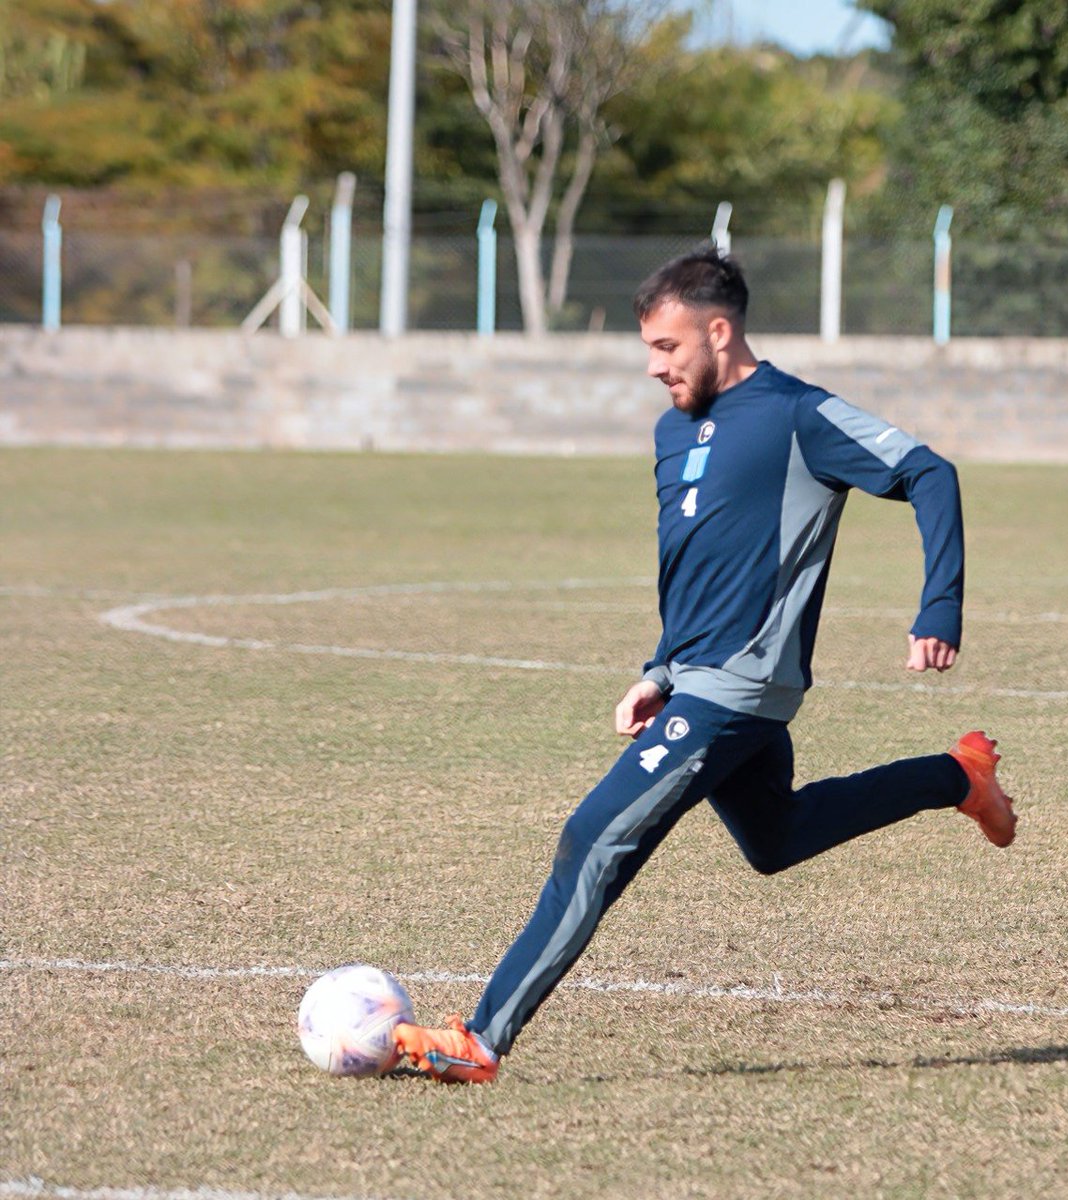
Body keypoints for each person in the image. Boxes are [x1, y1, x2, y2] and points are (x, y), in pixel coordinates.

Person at [392, 248, 1017, 1084]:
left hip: (743, 683)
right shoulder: (672, 428)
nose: (655, 367)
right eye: (649, 349)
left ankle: (481, 1039)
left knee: (596, 834)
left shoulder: (798, 415)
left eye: (668, 348)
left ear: (718, 332)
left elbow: (927, 471)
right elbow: (697, 562)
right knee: (776, 839)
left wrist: (939, 605)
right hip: (700, 677)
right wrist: (660, 668)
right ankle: (957, 775)